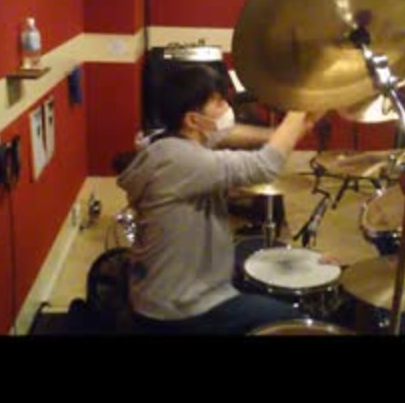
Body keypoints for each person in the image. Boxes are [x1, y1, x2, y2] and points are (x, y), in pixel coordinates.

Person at [117, 64, 324, 335]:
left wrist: (292, 127)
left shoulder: (165, 141)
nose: (227, 107)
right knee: (292, 320)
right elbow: (264, 166)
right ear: (193, 120)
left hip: (157, 294)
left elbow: (228, 133)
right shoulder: (181, 160)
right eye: (217, 102)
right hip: (178, 310)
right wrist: (298, 105)